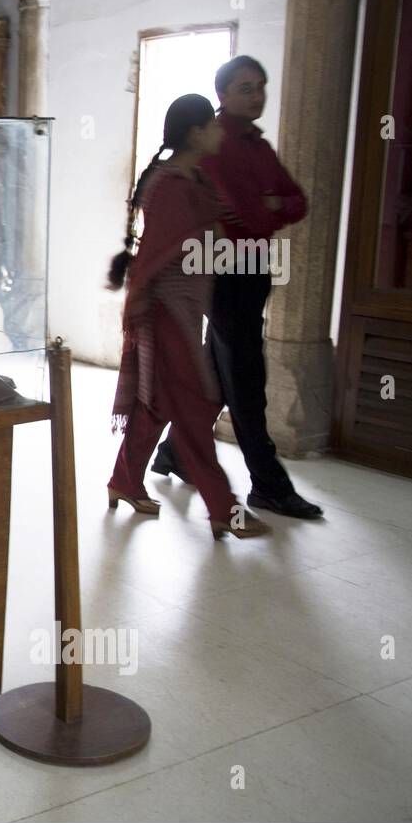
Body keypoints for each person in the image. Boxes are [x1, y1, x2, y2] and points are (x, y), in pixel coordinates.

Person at [151, 56, 323, 519]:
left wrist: (269, 207)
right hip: (226, 269)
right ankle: (267, 483)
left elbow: (297, 200)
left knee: (222, 367)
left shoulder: (257, 144)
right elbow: (244, 215)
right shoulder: (217, 142)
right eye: (245, 87)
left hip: (252, 268)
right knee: (246, 376)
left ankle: (176, 453)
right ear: (223, 94)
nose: (256, 94)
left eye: (261, 86)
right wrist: (269, 208)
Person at [107, 93, 270, 540]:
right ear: (196, 132)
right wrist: (138, 305)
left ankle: (124, 480)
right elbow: (160, 254)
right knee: (196, 409)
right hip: (167, 313)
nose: (219, 130)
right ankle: (225, 510)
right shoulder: (175, 185)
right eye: (212, 125)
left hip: (181, 311)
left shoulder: (192, 180)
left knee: (159, 404)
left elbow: (206, 243)